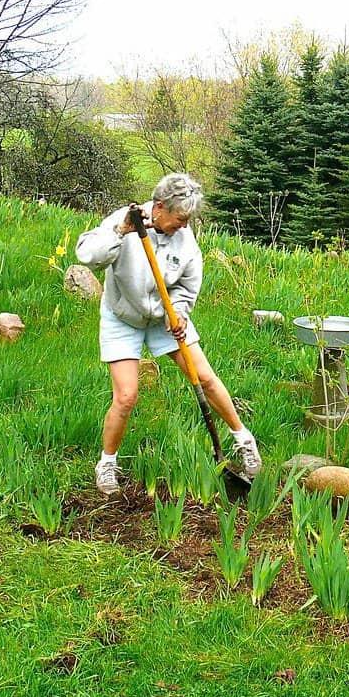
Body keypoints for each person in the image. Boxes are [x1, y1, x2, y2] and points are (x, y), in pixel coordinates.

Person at [76, 173, 262, 495]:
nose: (183, 226)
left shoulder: (185, 238)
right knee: (126, 396)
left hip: (165, 317)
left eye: (188, 220)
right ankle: (106, 465)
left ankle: (244, 442)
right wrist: (122, 231)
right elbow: (87, 256)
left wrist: (178, 312)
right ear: (159, 207)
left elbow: (188, 285)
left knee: (204, 377)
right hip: (123, 318)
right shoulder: (126, 219)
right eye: (179, 219)